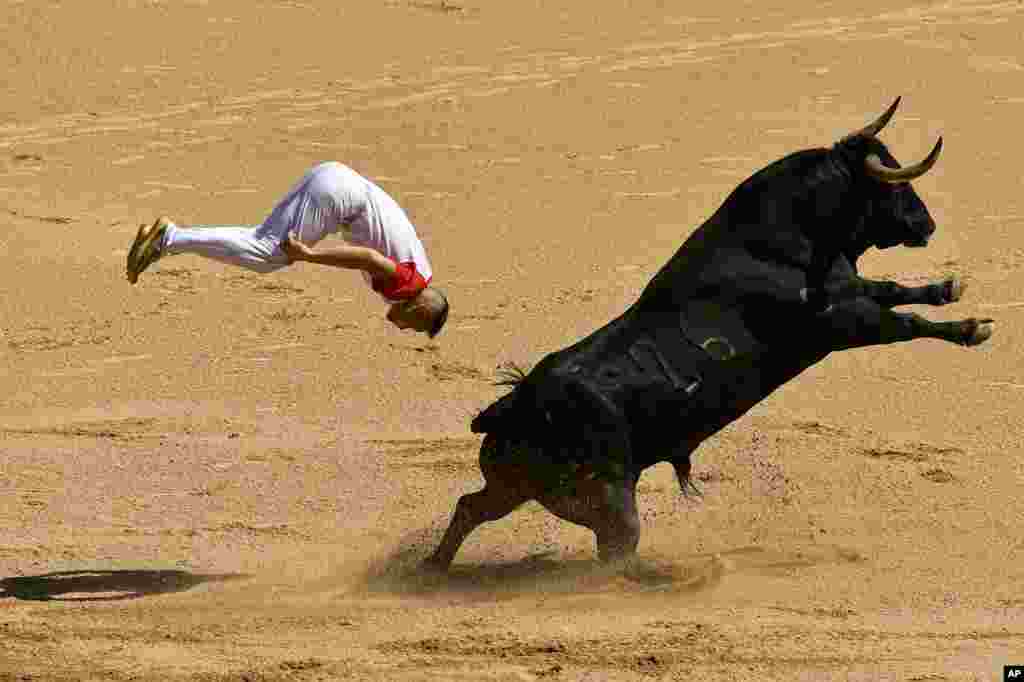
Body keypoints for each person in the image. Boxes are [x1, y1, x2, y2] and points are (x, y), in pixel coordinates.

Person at [125, 161, 449, 338]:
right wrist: (309, 255)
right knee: (269, 253)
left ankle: (168, 239)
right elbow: (368, 258)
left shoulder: (420, 270)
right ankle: (168, 238)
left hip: (337, 182)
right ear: (419, 310)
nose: (407, 329)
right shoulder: (410, 285)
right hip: (341, 198)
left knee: (263, 243)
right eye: (416, 327)